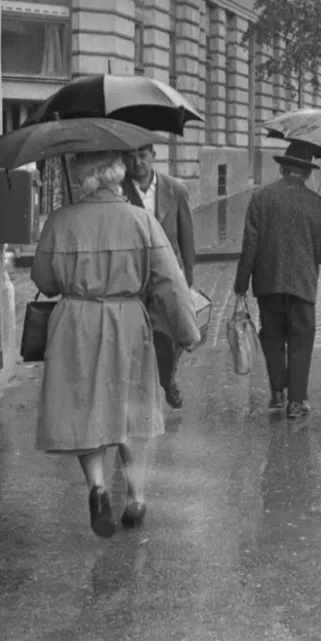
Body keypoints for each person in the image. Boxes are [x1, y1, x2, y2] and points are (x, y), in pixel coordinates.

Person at [31, 150, 199, 537]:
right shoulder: (141, 220)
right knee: (132, 409)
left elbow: (44, 280)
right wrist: (188, 332)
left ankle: (98, 487)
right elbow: (169, 282)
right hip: (127, 322)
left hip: (75, 324)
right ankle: (136, 497)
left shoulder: (60, 220)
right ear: (117, 175)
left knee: (84, 408)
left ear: (83, 180)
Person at [233, 142, 321, 419]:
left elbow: (250, 246)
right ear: (307, 173)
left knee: (273, 335)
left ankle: (278, 392)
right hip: (302, 284)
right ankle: (297, 401)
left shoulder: (261, 198)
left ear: (282, 168)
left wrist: (241, 284)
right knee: (301, 339)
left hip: (268, 282)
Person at [121, 144, 196, 409]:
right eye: (130, 156)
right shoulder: (118, 191)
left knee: (172, 332)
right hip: (134, 275)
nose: (136, 162)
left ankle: (168, 378)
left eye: (142, 155)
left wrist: (188, 275)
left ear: (153, 155)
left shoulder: (175, 190)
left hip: (168, 273)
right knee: (141, 331)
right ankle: (143, 381)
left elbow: (187, 235)